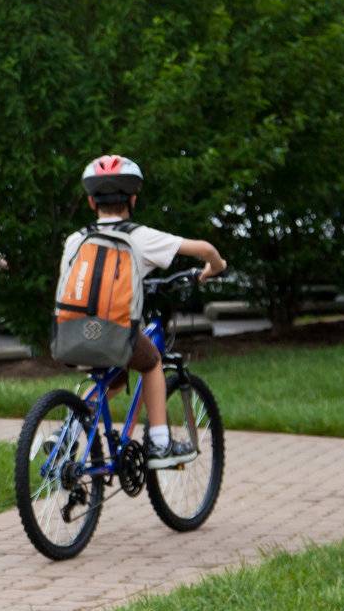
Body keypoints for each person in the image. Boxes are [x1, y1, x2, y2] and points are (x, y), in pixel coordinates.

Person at [67, 154, 226, 468]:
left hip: (70, 331)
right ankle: (160, 444)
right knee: (152, 361)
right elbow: (205, 249)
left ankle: (70, 428)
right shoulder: (140, 236)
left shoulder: (75, 238)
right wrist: (214, 268)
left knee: (113, 379)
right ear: (133, 199)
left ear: (90, 202)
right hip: (113, 331)